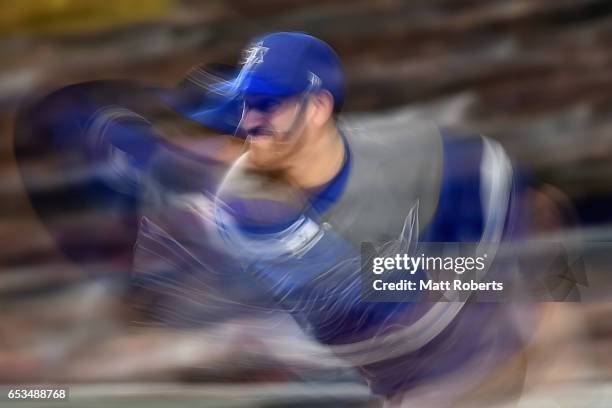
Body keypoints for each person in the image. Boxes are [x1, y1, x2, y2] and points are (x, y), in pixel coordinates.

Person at [136, 32, 533, 406]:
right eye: (244, 105)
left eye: (267, 105)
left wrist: (514, 287)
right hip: (415, 375)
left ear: (318, 108)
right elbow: (384, 314)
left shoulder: (413, 152)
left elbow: (497, 186)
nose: (248, 121)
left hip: (471, 357)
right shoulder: (246, 206)